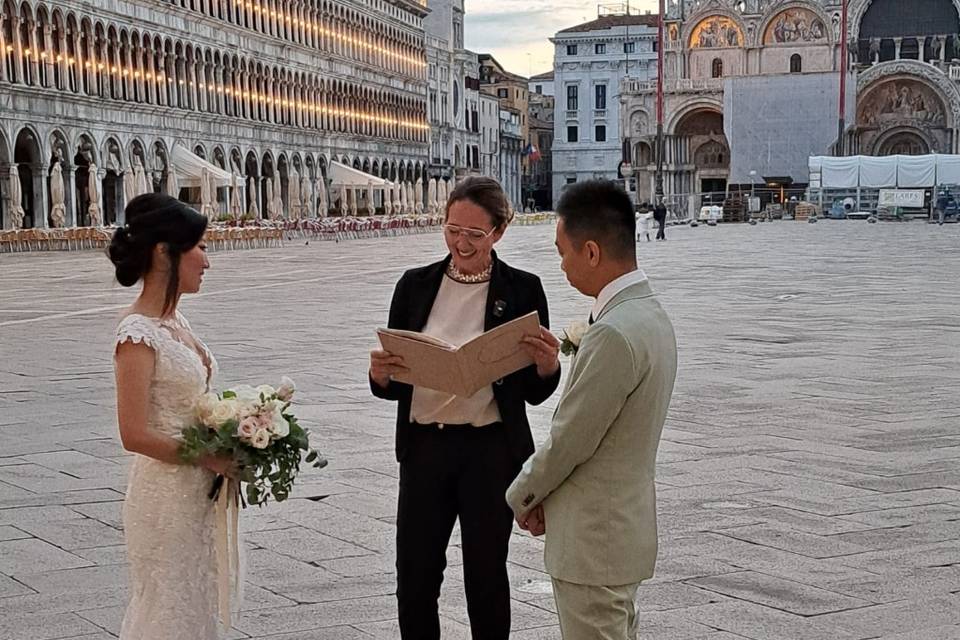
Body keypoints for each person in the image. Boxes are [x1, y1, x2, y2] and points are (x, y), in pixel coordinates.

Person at [369, 176, 562, 640]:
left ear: (498, 232)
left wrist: (547, 367)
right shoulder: (414, 286)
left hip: (490, 451)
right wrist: (380, 377)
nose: (461, 242)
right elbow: (396, 381)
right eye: (453, 229)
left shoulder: (522, 290)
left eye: (475, 234)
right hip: (425, 448)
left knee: (486, 574)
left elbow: (533, 394)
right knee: (414, 575)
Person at [506, 180, 678, 640]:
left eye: (562, 252)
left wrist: (522, 495)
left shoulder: (612, 333)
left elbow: (571, 439)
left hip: (593, 540)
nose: (560, 265)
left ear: (592, 252)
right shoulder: (650, 315)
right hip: (620, 530)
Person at [110, 193, 238, 640]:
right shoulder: (137, 334)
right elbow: (134, 432)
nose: (207, 261)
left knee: (194, 603)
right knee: (167, 608)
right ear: (165, 252)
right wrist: (208, 457)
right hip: (164, 494)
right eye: (200, 246)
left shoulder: (175, 322)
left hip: (194, 492)